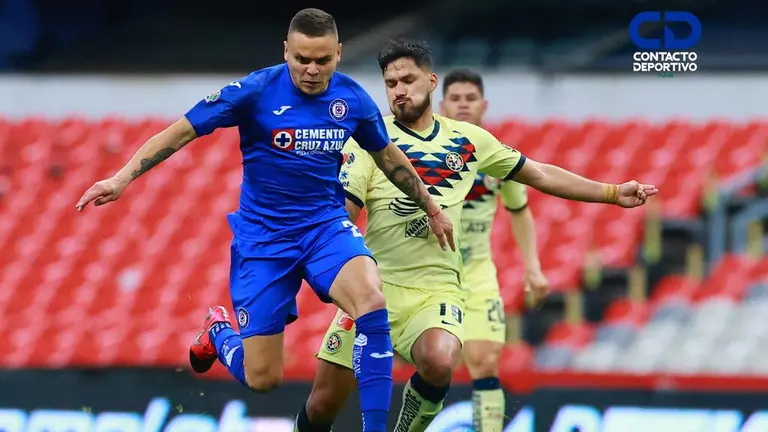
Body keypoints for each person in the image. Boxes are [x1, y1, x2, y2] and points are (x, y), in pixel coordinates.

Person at [74, 10, 455, 432]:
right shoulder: (254, 91)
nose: (312, 70)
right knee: (264, 379)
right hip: (264, 243)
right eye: (302, 59)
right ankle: (219, 331)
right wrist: (123, 176)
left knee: (371, 302)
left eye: (323, 60)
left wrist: (431, 207)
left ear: (339, 54)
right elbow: (182, 130)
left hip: (324, 228)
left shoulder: (353, 100)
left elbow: (388, 158)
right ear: (286, 51)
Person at [293, 39, 658, 432]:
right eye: (390, 83)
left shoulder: (468, 140)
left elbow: (537, 173)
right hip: (371, 290)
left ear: (431, 81)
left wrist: (610, 192)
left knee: (439, 358)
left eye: (408, 80)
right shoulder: (370, 140)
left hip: (436, 291)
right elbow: (343, 213)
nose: (399, 90)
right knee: (322, 405)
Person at [440, 69, 549, 431]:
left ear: (483, 105)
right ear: (442, 105)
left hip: (477, 273)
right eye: (455, 98)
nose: (463, 105)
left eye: (470, 98)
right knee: (437, 362)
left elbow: (520, 211)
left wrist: (533, 267)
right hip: (430, 273)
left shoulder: (500, 159)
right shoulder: (423, 151)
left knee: (485, 360)